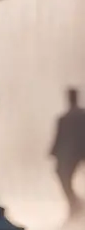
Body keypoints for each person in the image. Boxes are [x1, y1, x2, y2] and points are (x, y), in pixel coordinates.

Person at [51, 87, 85, 222]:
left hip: (75, 152)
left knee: (62, 175)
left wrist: (54, 152)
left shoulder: (66, 118)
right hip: (74, 152)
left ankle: (75, 203)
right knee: (62, 175)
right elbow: (60, 137)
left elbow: (60, 137)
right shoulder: (66, 118)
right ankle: (75, 203)